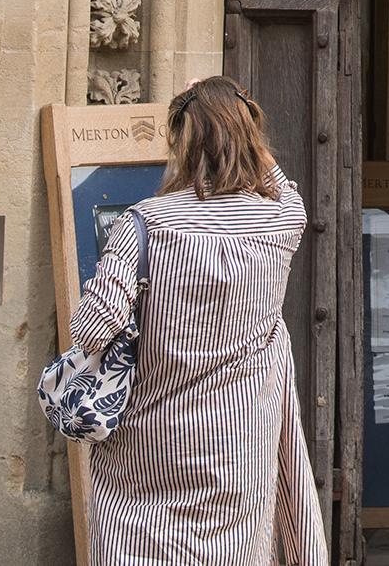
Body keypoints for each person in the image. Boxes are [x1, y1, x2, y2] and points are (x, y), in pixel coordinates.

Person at [68, 76, 326, 564]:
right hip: (240, 442)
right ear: (250, 137)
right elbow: (283, 187)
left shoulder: (147, 222)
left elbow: (93, 328)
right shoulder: (280, 220)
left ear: (181, 143)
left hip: (150, 448)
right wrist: (240, 120)